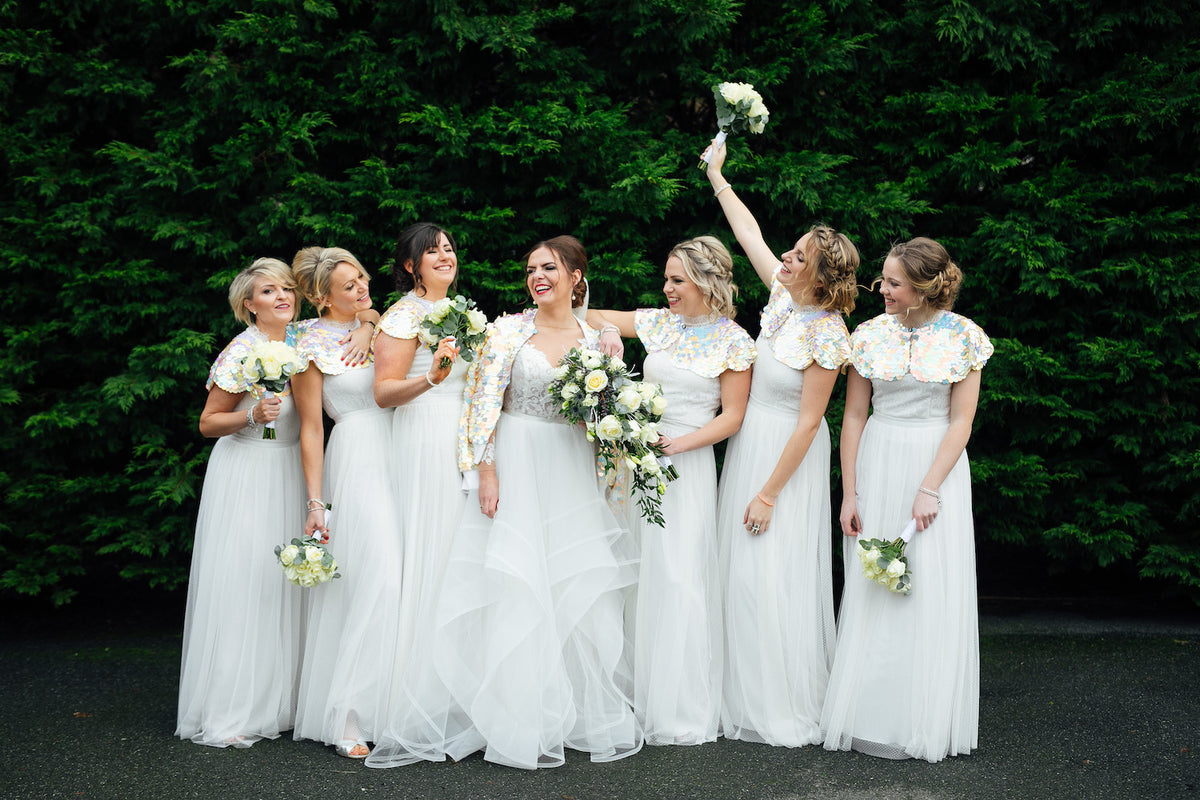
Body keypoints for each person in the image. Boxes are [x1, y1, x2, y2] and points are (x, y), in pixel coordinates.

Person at [366, 235, 642, 770]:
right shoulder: (507, 331)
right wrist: (485, 469)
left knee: (569, 582)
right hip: (515, 462)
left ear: (576, 276)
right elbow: (481, 401)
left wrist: (609, 474)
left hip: (569, 470)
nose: (538, 277)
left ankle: (571, 712)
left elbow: (603, 419)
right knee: (515, 583)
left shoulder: (598, 338)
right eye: (532, 269)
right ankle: (511, 716)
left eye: (550, 268)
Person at [703, 140, 860, 746]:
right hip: (752, 443)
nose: (785, 259)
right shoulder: (780, 297)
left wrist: (768, 493)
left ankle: (778, 699)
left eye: (798, 257)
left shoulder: (827, 335)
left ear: (820, 274)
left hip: (785, 460)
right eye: (789, 253)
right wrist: (717, 176)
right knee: (739, 572)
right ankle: (734, 692)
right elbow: (748, 232)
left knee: (771, 575)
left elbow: (809, 423)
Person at [822, 236, 992, 762]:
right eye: (884, 280)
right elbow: (853, 416)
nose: (882, 290)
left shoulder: (966, 338)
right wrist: (850, 492)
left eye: (893, 283)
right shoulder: (869, 335)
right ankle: (870, 713)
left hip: (934, 468)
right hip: (879, 459)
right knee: (876, 584)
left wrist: (929, 488)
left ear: (922, 290)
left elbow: (961, 421)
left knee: (929, 586)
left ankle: (925, 719)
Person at [589, 236, 754, 745]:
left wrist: (679, 445)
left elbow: (733, 416)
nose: (667, 288)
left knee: (680, 576)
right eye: (666, 278)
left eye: (677, 280)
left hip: (687, 464)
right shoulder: (658, 322)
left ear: (707, 282)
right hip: (638, 461)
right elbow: (588, 315)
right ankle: (638, 692)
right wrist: (611, 340)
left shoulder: (733, 341)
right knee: (639, 574)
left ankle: (681, 703)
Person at [176, 257, 307, 748]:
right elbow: (208, 422)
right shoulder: (242, 351)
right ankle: (232, 710)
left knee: (287, 585)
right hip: (250, 472)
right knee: (247, 584)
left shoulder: (299, 339)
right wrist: (252, 413)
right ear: (249, 305)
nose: (283, 297)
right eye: (270, 292)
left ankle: (281, 701)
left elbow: (358, 315)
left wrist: (366, 324)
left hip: (292, 469)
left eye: (287, 289)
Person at [290, 247, 398, 759]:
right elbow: (312, 427)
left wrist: (369, 322)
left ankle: (395, 707)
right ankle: (349, 714)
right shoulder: (307, 345)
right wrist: (316, 503)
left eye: (362, 279)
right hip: (357, 456)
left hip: (405, 451)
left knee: (409, 574)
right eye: (349, 286)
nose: (361, 290)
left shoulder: (380, 322)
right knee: (375, 575)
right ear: (319, 296)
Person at [371, 223, 470, 677]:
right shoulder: (403, 316)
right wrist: (431, 378)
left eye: (448, 249)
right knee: (435, 540)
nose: (445, 256)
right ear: (412, 266)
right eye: (433, 252)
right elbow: (384, 392)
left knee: (462, 548)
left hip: (463, 433)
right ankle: (417, 677)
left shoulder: (459, 311)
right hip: (425, 432)